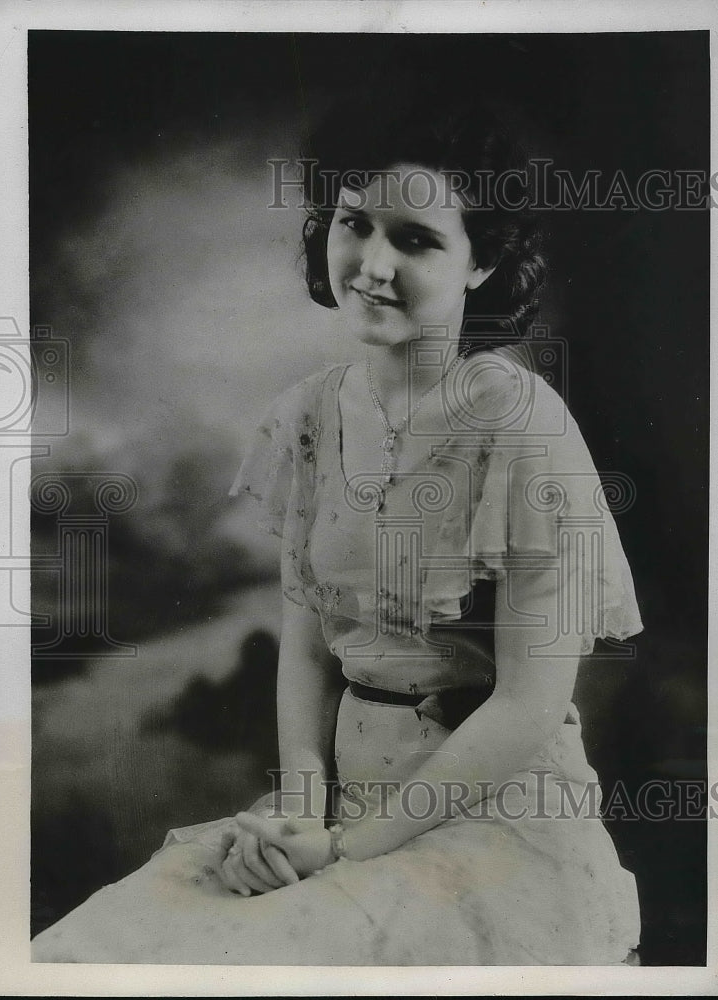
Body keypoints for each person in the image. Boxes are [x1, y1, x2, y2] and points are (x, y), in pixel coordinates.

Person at [32, 78, 644, 966]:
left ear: (481, 263)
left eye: (417, 240)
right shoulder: (309, 417)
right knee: (91, 951)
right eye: (354, 221)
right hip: (341, 815)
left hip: (498, 829)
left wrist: (347, 851)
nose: (371, 263)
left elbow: (527, 703)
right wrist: (297, 807)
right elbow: (311, 640)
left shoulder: (523, 426)